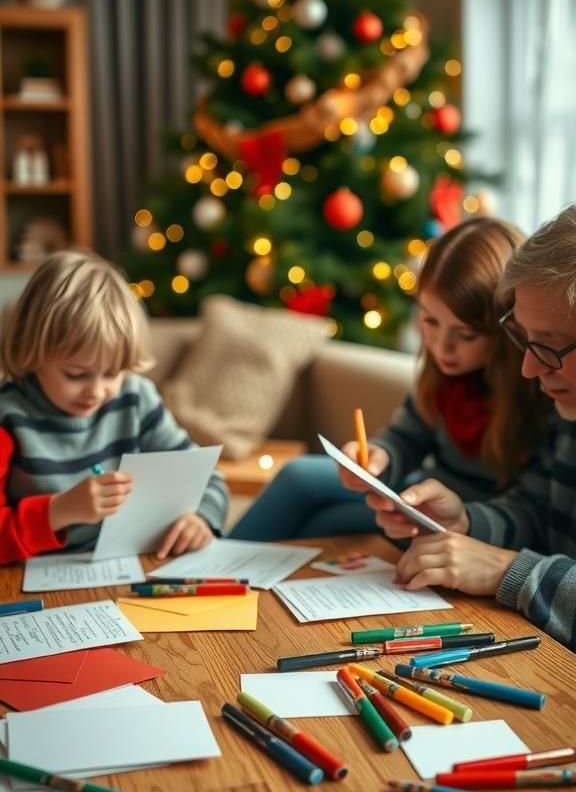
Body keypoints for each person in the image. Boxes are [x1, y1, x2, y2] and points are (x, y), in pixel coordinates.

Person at [229, 216, 544, 541]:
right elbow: (406, 437)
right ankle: (214, 572)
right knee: (301, 483)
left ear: (506, 331)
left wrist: (460, 518)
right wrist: (379, 458)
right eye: (430, 321)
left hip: (464, 521)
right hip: (416, 497)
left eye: (465, 335)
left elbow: (529, 512)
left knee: (322, 522)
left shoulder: (539, 391)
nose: (441, 346)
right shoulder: (444, 374)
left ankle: (218, 569)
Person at [369, 204, 576, 651]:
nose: (528, 368)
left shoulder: (548, 406)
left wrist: (508, 570)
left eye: (551, 347)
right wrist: (464, 519)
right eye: (524, 339)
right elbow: (537, 514)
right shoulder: (569, 416)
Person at [0, 250, 228, 564]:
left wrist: (201, 519)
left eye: (112, 373)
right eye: (76, 374)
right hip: (37, 580)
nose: (96, 391)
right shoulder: (8, 416)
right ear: (30, 353)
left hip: (130, 568)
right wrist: (60, 510)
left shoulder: (135, 397)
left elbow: (207, 479)